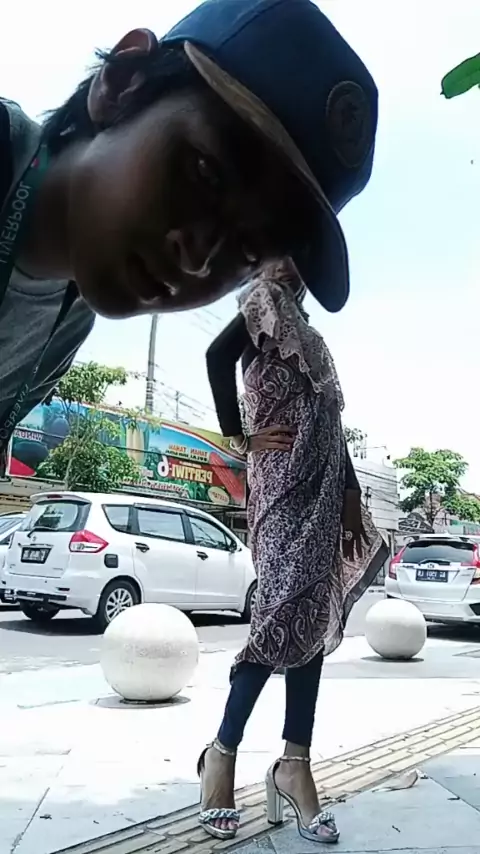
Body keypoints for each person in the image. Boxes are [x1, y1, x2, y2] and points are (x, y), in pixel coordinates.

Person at [0, 0, 378, 474]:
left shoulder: (66, 323)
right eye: (206, 173)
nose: (200, 259)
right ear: (122, 82)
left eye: (249, 250)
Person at [203, 260, 388, 844]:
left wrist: (352, 497)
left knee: (310, 615)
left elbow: (331, 425)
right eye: (283, 251)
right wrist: (240, 437)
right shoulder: (261, 302)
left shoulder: (310, 335)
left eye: (300, 256)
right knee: (280, 615)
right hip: (280, 492)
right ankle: (221, 754)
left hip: (325, 491)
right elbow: (215, 358)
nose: (292, 266)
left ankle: (295, 763)